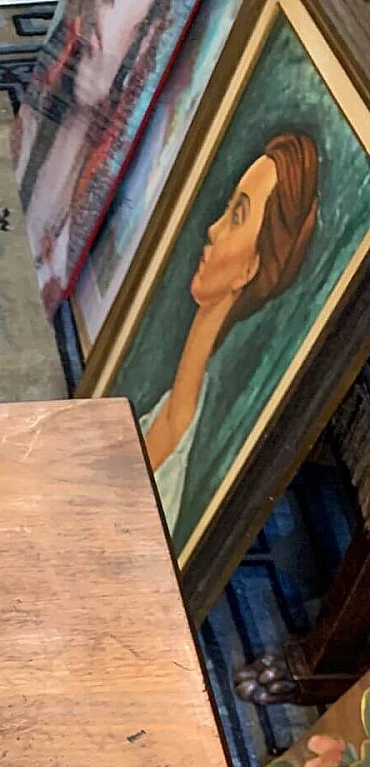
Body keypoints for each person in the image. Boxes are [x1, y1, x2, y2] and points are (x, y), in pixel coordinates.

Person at [141, 131, 320, 533]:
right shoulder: (174, 406)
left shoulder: (197, 445)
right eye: (227, 210)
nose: (212, 229)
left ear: (250, 268)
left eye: (237, 216)